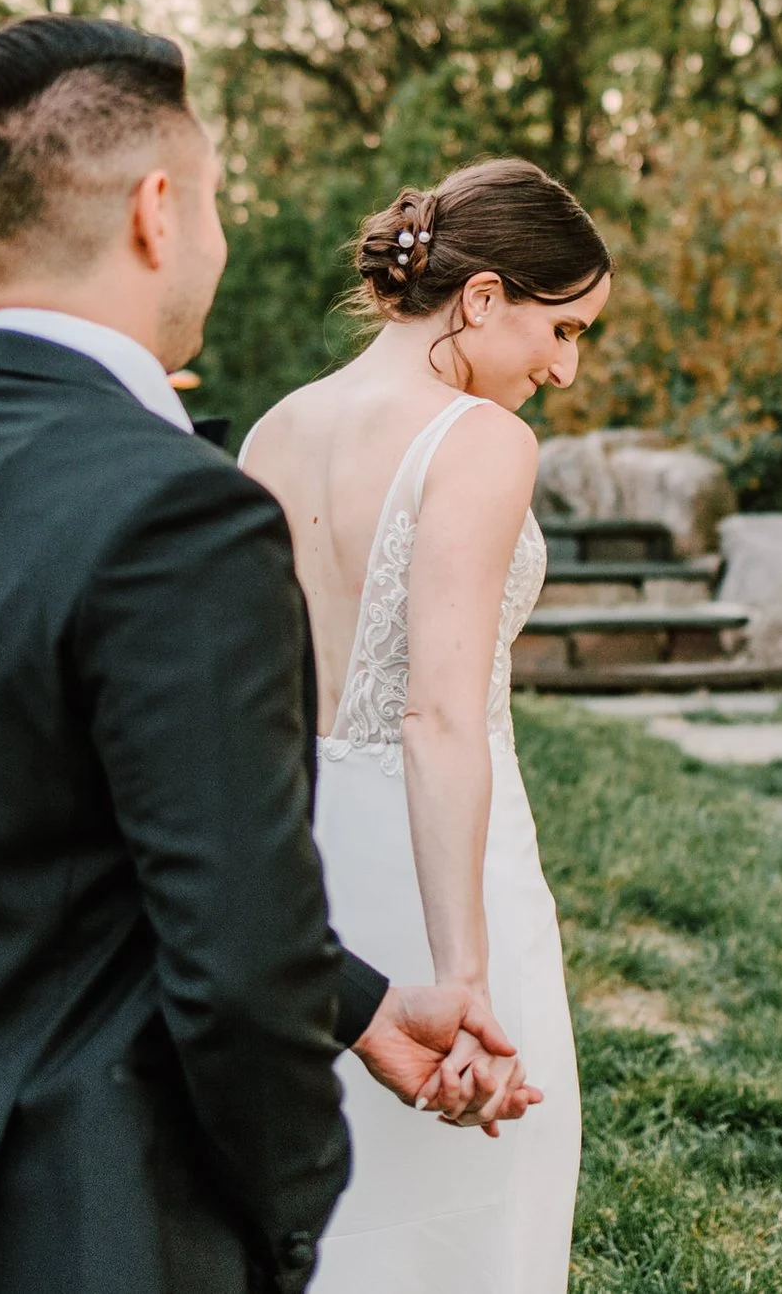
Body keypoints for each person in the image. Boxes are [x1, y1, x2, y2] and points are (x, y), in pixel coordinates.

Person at [0, 16, 534, 1294]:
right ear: (159, 212)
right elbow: (230, 936)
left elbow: (31, 843)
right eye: (217, 201)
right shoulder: (181, 510)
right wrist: (289, 1208)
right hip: (84, 1222)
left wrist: (357, 1001)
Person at [239, 160, 610, 1294]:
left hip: (300, 871)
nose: (566, 365)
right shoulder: (479, 441)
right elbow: (438, 712)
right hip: (438, 862)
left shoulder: (272, 431)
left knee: (321, 1208)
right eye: (563, 327)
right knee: (472, 1220)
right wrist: (465, 974)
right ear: (483, 296)